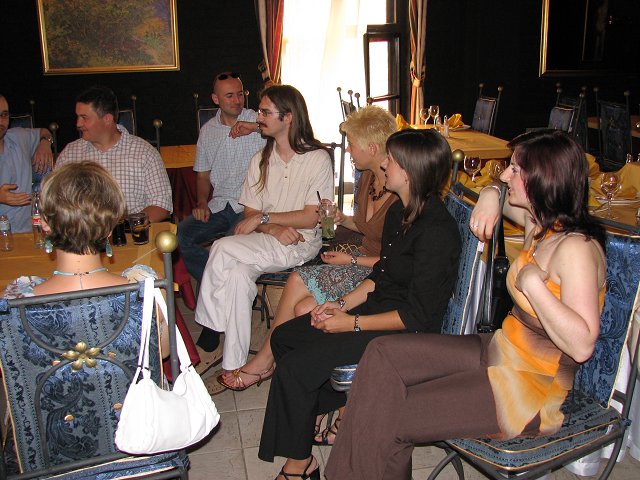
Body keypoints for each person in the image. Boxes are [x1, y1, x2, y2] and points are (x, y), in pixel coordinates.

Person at [325, 129, 607, 480]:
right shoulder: (539, 223)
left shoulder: (576, 249)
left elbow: (582, 345)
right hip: (500, 350)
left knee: (393, 415)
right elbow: (497, 192)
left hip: (532, 388)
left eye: (515, 169)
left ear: (543, 178)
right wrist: (490, 193)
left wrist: (534, 286)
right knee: (381, 353)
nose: (505, 174)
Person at [258, 129, 462, 480]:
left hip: (405, 334)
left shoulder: (437, 232)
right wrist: (339, 304)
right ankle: (312, 414)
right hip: (378, 310)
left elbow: (417, 315)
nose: (384, 164)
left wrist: (349, 324)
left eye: (391, 161)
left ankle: (299, 465)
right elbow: (381, 274)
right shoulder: (401, 212)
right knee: (285, 338)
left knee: (295, 368)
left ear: (409, 172)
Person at [217, 105, 398, 402]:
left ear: (373, 148)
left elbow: (397, 261)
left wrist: (351, 259)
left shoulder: (399, 191)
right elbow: (367, 227)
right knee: (300, 297)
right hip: (359, 257)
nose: (348, 150)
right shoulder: (368, 177)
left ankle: (278, 368)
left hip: (376, 271)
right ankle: (284, 367)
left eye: (352, 144)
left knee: (301, 299)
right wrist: (342, 219)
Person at [194, 84, 334, 385]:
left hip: (300, 242)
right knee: (236, 275)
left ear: (288, 117)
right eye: (259, 111)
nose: (258, 117)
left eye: (265, 112)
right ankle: (235, 365)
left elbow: (313, 216)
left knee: (221, 247)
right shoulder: (260, 159)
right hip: (268, 239)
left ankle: (211, 326)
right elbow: (250, 213)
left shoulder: (317, 158)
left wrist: (265, 218)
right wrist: (270, 226)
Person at [3, 162, 166, 356]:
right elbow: (162, 353)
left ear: (44, 223)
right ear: (110, 228)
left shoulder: (11, 303)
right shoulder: (148, 289)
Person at [177, 72, 266, 285]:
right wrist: (201, 202)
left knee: (227, 246)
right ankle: (216, 282)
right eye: (229, 96)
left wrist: (255, 128)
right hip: (219, 205)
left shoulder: (259, 120)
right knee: (179, 237)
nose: (237, 100)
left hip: (250, 206)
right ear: (215, 99)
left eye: (240, 94)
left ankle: (218, 286)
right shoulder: (208, 131)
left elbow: (289, 129)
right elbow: (203, 174)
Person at [55, 86, 172, 223]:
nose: (78, 124)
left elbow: (161, 205)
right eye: (78, 117)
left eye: (84, 118)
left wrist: (126, 227)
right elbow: (54, 200)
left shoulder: (144, 153)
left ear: (107, 119)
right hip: (82, 233)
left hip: (130, 233)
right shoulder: (70, 154)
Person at [0, 93, 54, 232]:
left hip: (28, 234)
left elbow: (44, 132)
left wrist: (45, 143)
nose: (1, 121)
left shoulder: (18, 137)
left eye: (4, 115)